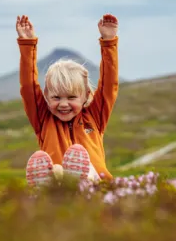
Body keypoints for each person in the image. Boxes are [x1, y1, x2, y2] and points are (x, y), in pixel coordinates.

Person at [16, 13, 119, 186]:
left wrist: (109, 42)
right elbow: (28, 86)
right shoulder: (43, 119)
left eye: (71, 97)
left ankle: (77, 179)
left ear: (86, 95)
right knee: (56, 171)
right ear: (46, 96)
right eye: (56, 97)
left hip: (97, 185)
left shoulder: (95, 117)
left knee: (87, 173)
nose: (63, 104)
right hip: (60, 186)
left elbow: (109, 84)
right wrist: (28, 44)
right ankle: (48, 183)